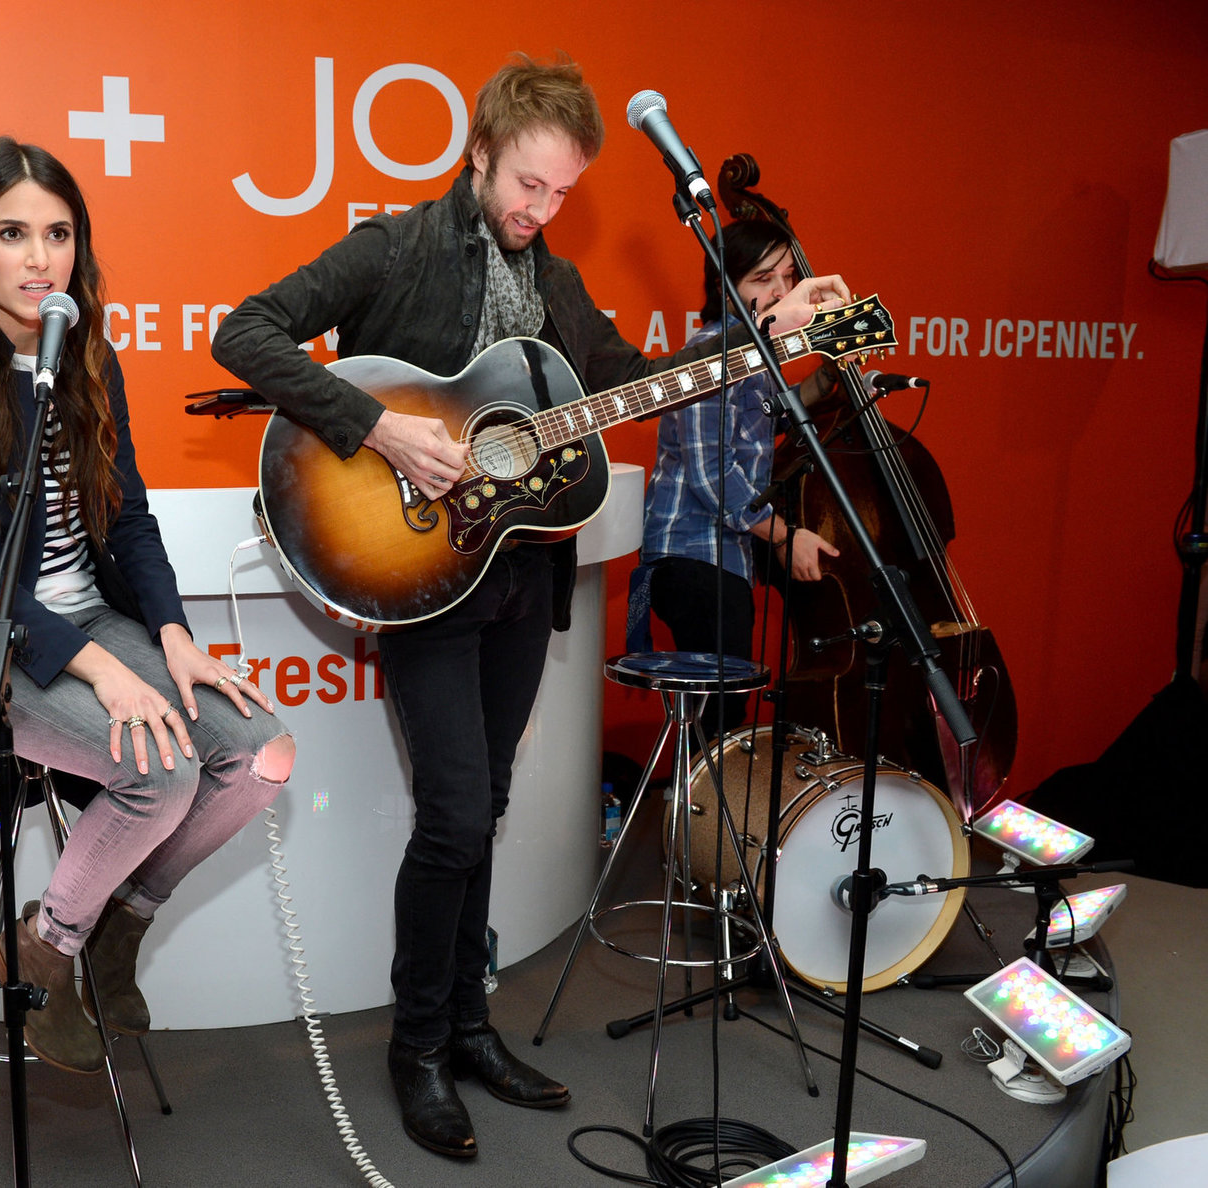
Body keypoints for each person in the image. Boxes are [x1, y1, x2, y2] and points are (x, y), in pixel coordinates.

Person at [212, 55, 846, 1158]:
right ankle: (415, 1048)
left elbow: (637, 377)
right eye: (525, 187)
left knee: (484, 805)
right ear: (478, 155)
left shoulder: (554, 285)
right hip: (417, 579)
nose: (536, 211)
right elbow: (245, 332)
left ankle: (466, 1026)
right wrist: (380, 426)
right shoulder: (396, 247)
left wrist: (764, 337)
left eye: (558, 194)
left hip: (512, 580)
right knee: (454, 813)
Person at [0, 137, 295, 1074]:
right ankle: (52, 947)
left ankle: (104, 936)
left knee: (262, 755)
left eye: (57, 233)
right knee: (163, 774)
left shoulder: (94, 364)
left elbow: (129, 520)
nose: (37, 256)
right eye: (11, 233)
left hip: (91, 621)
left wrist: (172, 638)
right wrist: (102, 675)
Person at [628, 220, 843, 737]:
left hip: (726, 554)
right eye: (762, 279)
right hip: (691, 556)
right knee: (720, 717)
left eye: (788, 277)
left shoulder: (755, 357)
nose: (781, 293)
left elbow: (776, 418)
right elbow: (715, 479)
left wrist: (834, 373)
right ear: (727, 286)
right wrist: (787, 536)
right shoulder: (712, 353)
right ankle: (702, 817)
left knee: (726, 713)